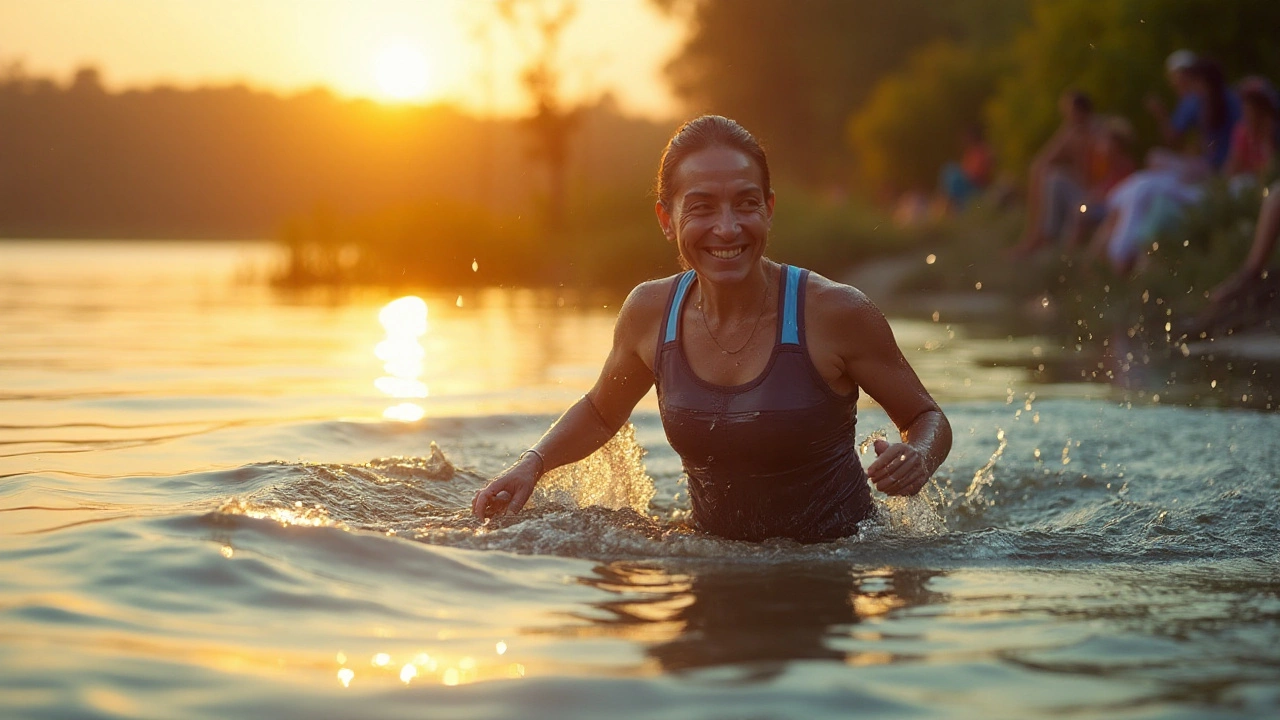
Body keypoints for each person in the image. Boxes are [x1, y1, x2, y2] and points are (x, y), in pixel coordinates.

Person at [472, 115, 952, 543]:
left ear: (768, 208)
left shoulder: (835, 312)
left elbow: (926, 418)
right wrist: (531, 465)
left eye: (745, 204)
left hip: (834, 562)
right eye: (701, 208)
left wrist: (918, 459)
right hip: (711, 563)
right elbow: (601, 412)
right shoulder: (649, 312)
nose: (727, 228)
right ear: (667, 218)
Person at [1011, 91, 1097, 256]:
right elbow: (1042, 161)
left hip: (1094, 192)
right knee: (1043, 172)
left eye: (1069, 112)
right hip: (1083, 190)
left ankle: (1044, 236)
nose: (1067, 117)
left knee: (1055, 179)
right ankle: (1035, 235)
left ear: (1081, 111)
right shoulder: (1072, 132)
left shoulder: (1097, 131)